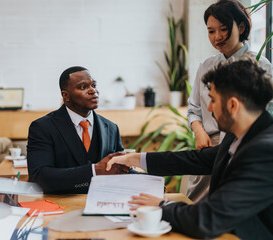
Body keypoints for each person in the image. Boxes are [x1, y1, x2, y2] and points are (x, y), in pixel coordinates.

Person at [106, 59, 273, 239]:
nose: (208, 108)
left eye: (213, 100)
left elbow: (208, 219)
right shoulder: (241, 135)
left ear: (233, 105)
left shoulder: (264, 151)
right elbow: (198, 159)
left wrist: (161, 205)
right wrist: (135, 158)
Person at [186, 0, 272, 202]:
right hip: (208, 148)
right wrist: (198, 130)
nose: (217, 37)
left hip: (243, 151)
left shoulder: (260, 66)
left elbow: (266, 116)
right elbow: (194, 108)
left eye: (223, 29)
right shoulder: (206, 66)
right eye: (211, 31)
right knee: (194, 207)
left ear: (241, 27)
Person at [27, 66, 128, 194]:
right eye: (83, 87)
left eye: (94, 85)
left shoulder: (111, 128)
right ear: (66, 96)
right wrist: (93, 171)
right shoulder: (42, 127)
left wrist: (150, 180)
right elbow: (39, 177)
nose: (93, 90)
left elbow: (120, 169)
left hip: (104, 202)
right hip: (61, 205)